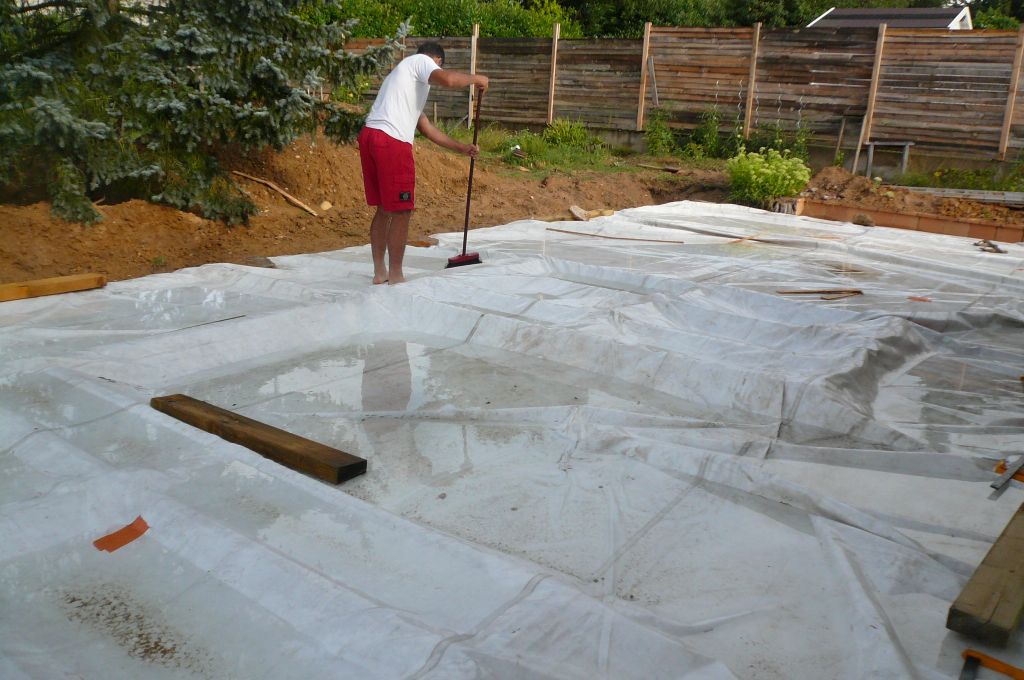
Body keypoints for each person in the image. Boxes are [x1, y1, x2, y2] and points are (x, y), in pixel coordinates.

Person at [358, 42, 489, 285]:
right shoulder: (420, 62)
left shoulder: (402, 79)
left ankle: (380, 273)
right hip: (391, 141)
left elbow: (427, 129)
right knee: (401, 210)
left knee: (385, 209)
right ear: (437, 60)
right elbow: (448, 80)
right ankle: (396, 275)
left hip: (370, 136)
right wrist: (476, 78)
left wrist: (462, 148)